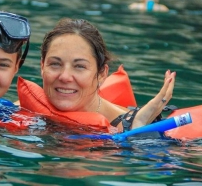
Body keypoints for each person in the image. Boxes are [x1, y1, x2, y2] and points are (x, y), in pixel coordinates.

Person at [17, 18, 175, 132]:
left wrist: (136, 133)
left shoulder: (130, 124)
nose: (65, 77)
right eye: (55, 64)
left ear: (101, 74)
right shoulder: (20, 109)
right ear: (42, 66)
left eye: (79, 66)